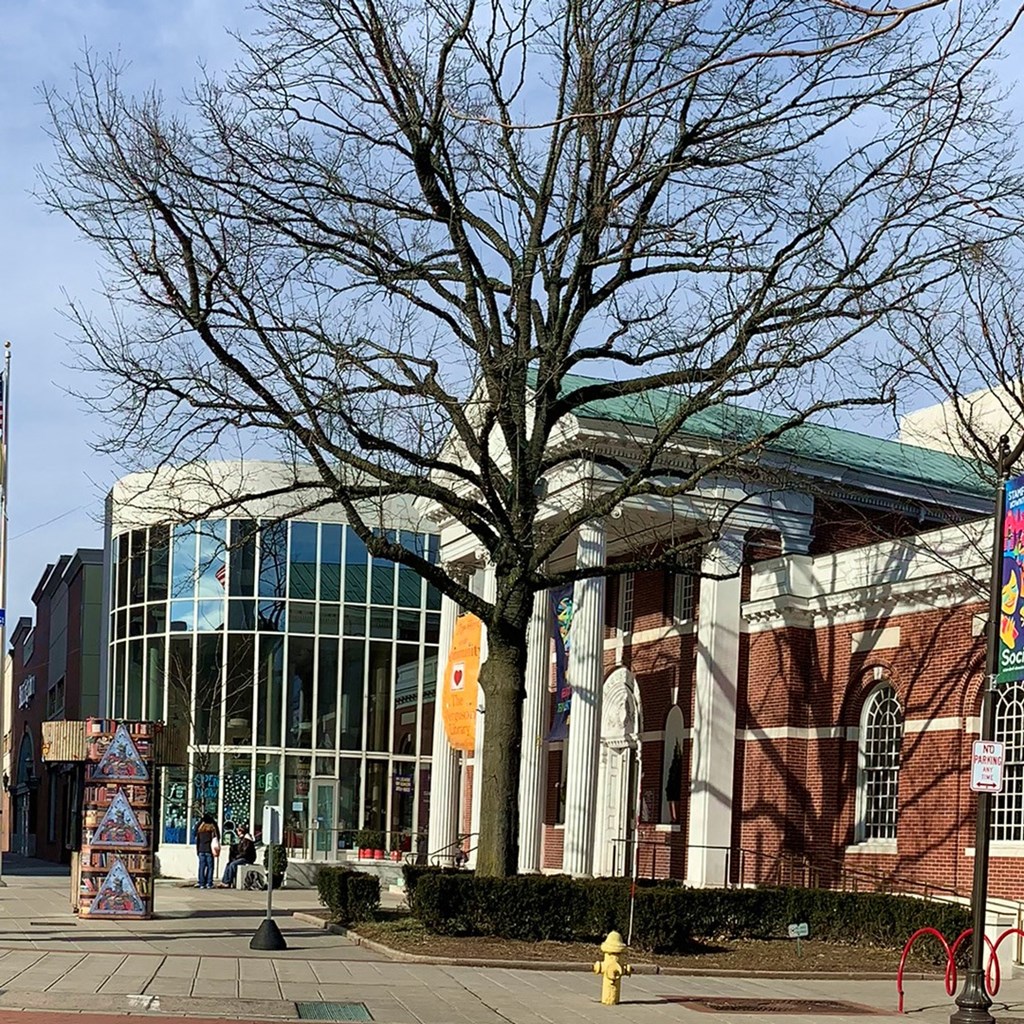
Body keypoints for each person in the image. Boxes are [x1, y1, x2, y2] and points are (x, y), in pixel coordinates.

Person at [218, 824, 257, 888]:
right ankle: (224, 881)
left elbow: (245, 852)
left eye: (239, 831)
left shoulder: (247, 840)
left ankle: (228, 882)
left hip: (247, 858)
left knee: (232, 865)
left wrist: (237, 857)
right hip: (242, 857)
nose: (237, 833)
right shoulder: (242, 839)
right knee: (228, 864)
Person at [195, 813, 220, 890]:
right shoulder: (212, 830)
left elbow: (197, 841)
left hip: (201, 850)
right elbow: (218, 837)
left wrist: (198, 850)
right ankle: (209, 883)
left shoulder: (200, 830)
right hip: (209, 850)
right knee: (210, 867)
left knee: (202, 867)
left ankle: (201, 883)